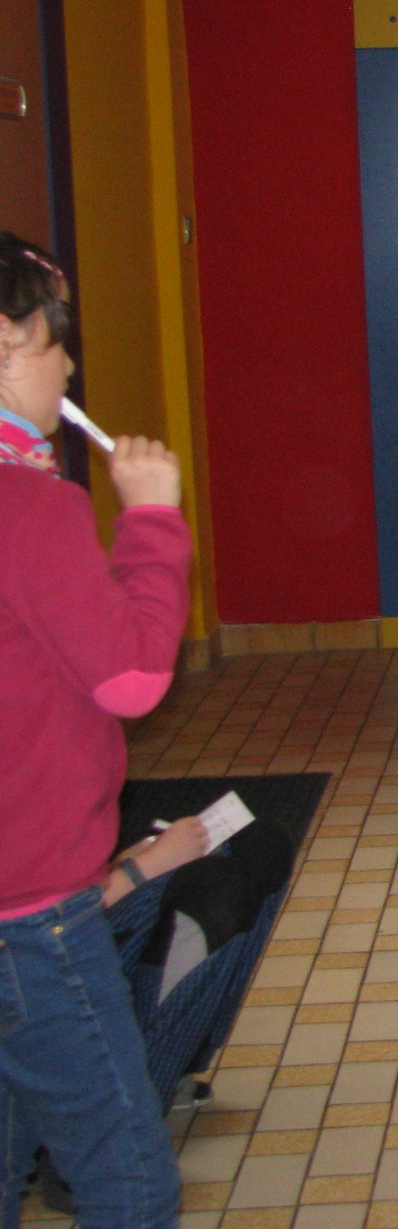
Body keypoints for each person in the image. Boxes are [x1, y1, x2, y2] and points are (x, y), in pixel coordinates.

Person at [1, 231, 193, 1229]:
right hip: (30, 912)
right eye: (52, 341)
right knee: (129, 1181)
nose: (69, 366)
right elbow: (132, 677)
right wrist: (152, 523)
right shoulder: (32, 507)